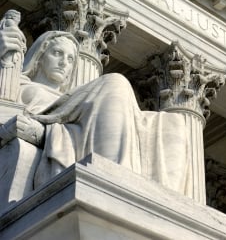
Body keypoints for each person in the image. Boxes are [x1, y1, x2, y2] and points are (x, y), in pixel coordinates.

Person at [0, 29, 190, 193]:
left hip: (75, 132)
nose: (64, 62)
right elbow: (6, 121)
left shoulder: (74, 98)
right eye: (57, 53)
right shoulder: (20, 85)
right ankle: (116, 182)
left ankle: (164, 202)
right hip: (68, 134)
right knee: (115, 82)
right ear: (40, 57)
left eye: (70, 58)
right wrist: (5, 58)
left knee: (174, 123)